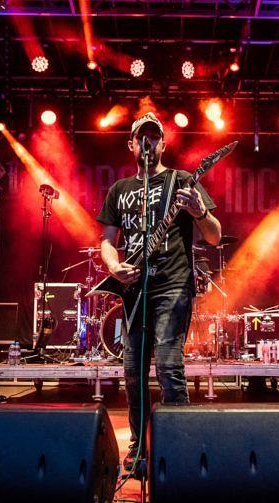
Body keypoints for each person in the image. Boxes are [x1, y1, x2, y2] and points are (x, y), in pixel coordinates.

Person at [96, 113, 221, 475]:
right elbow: (107, 241)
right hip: (135, 289)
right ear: (131, 144)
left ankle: (178, 449)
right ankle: (139, 448)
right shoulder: (119, 189)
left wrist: (199, 212)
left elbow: (214, 235)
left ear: (164, 144)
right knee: (132, 371)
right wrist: (113, 266)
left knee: (167, 364)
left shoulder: (182, 181)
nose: (148, 143)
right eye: (142, 137)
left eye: (154, 137)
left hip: (173, 284)